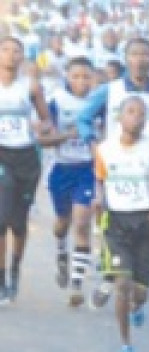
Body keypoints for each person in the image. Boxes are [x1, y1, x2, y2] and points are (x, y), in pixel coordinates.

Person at [93, 96, 149, 352]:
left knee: (139, 292)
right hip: (117, 222)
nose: (136, 118)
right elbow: (100, 180)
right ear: (119, 116)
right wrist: (99, 200)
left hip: (146, 222)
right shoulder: (105, 149)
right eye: (130, 112)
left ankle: (138, 307)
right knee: (122, 284)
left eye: (141, 114)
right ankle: (126, 345)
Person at [0, 35, 50, 304]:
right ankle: (0, 279)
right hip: (1, 156)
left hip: (27, 158)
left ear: (22, 57)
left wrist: (42, 127)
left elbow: (46, 120)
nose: (10, 55)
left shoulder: (30, 87)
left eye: (15, 51)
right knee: (1, 219)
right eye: (5, 50)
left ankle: (15, 271)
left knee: (18, 224)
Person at [43, 54, 95, 307]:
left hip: (87, 168)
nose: (81, 81)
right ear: (67, 77)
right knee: (62, 223)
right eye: (76, 76)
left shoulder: (100, 102)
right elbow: (44, 139)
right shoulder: (56, 101)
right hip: (61, 168)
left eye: (86, 76)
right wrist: (70, 134)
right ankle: (61, 251)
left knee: (82, 222)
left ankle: (76, 284)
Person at [76, 37, 149, 150]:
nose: (139, 60)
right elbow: (83, 119)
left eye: (145, 55)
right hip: (113, 161)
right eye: (134, 54)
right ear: (125, 58)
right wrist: (93, 144)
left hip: (148, 164)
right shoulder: (108, 91)